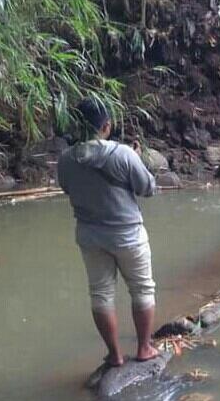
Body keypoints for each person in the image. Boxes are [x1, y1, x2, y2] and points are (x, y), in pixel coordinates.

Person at [58, 97, 159, 367]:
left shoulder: (66, 159)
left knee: (101, 294)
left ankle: (114, 356)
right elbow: (147, 188)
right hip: (128, 235)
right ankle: (144, 348)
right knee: (142, 290)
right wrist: (137, 159)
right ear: (107, 125)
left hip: (90, 236)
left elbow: (67, 189)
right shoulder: (123, 154)